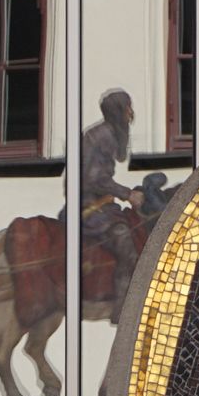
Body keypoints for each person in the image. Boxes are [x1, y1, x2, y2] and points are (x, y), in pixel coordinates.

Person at [79, 88, 145, 321]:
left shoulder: (103, 134)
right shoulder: (103, 136)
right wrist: (127, 194)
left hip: (102, 203)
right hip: (90, 207)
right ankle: (124, 312)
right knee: (126, 243)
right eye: (127, 108)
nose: (130, 113)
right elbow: (95, 179)